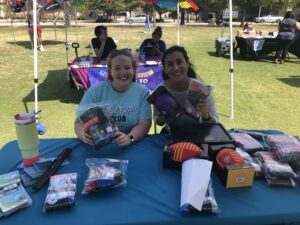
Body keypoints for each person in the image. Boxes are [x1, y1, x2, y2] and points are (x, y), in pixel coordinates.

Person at [74, 49, 152, 147]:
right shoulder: (95, 91)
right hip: (100, 146)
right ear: (110, 71)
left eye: (127, 67)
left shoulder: (142, 91)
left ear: (134, 69)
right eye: (117, 68)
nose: (123, 72)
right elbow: (78, 123)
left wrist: (130, 138)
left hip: (132, 145)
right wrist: (82, 135)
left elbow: (145, 124)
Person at [154, 45, 219, 128]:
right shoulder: (160, 91)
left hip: (199, 136)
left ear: (187, 64)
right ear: (165, 70)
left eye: (179, 62)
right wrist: (159, 119)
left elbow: (215, 123)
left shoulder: (202, 90)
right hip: (172, 137)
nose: (176, 68)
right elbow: (157, 119)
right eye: (170, 64)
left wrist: (206, 115)